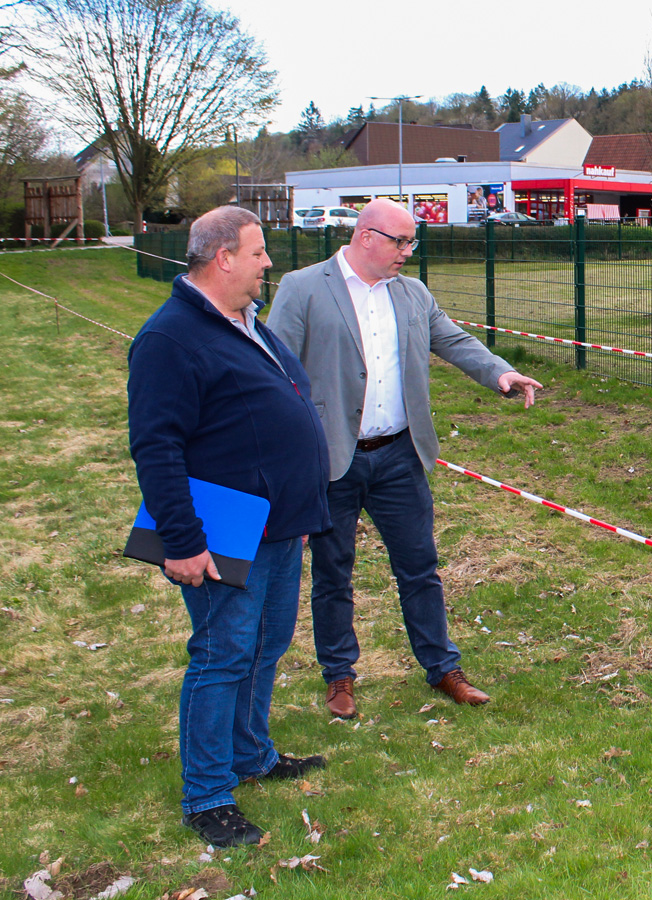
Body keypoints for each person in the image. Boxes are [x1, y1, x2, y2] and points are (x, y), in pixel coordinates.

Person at [268, 198, 542, 719]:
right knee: (333, 574)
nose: (408, 253)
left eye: (411, 242)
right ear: (366, 236)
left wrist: (499, 372)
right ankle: (339, 675)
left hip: (399, 455)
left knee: (420, 568)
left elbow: (452, 339)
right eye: (401, 242)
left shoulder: (412, 293)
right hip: (331, 461)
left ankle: (443, 668)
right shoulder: (303, 287)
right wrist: (287, 464)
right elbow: (277, 373)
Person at [127, 206, 333, 847]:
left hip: (275, 524)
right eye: (259, 252)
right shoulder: (170, 340)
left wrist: (297, 511)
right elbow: (156, 447)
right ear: (222, 258)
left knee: (266, 647)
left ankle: (252, 755)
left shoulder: (245, 321)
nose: (268, 262)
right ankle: (207, 794)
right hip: (223, 530)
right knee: (222, 656)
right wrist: (183, 542)